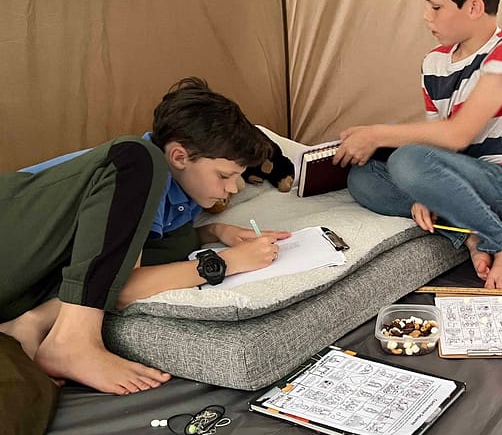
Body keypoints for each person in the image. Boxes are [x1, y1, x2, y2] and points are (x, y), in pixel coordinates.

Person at [0, 77, 290, 395]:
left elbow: (112, 265)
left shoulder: (181, 202)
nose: (234, 189)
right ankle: (72, 340)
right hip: (11, 233)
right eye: (224, 176)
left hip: (20, 288)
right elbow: (123, 286)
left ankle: (31, 322)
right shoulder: (136, 168)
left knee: (173, 246)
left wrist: (216, 231)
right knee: (136, 157)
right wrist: (225, 263)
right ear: (179, 157)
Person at [333, 0, 502, 290]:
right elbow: (439, 149)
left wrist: (378, 135)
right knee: (362, 179)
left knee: (408, 160)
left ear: (473, 7)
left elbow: (457, 135)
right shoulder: (434, 64)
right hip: (452, 180)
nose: (427, 16)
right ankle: (472, 236)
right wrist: (424, 191)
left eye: (435, 6)